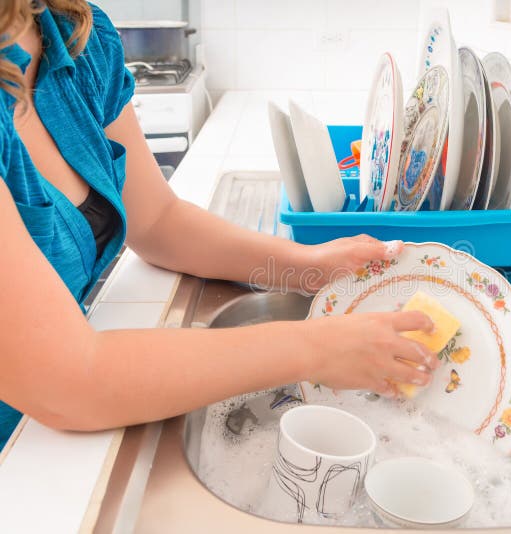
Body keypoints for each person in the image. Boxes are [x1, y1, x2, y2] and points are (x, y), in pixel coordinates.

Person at [0, 1, 438, 451]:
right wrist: (317, 349)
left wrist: (306, 265)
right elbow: (71, 382)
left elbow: (157, 220)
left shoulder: (74, 35)